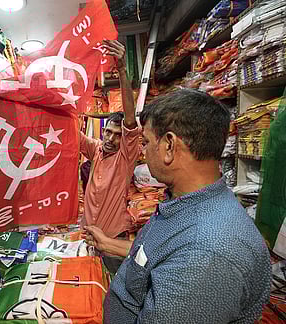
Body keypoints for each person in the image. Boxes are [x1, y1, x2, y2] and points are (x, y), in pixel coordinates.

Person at [101, 88, 271, 323]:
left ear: (169, 145)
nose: (144, 151)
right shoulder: (182, 203)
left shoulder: (208, 252)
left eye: (146, 142)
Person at [80, 40, 139, 272]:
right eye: (108, 132)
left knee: (112, 294)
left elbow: (131, 121)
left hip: (113, 241)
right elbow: (69, 135)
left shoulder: (125, 156)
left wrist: (122, 70)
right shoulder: (96, 150)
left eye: (117, 134)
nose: (111, 138)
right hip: (89, 238)